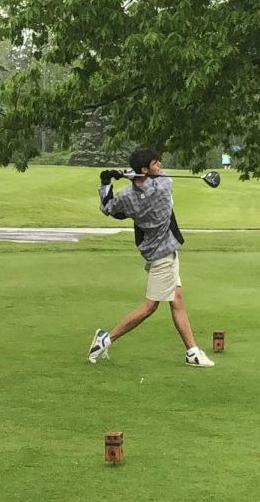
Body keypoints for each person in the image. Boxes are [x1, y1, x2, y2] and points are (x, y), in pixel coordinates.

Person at [87, 148, 215, 367]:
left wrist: (107, 181)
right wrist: (133, 174)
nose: (161, 166)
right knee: (149, 307)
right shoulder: (164, 186)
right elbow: (154, 182)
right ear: (146, 169)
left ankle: (192, 352)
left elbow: (109, 208)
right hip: (162, 256)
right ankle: (105, 339)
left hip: (156, 250)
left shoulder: (127, 197)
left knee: (177, 300)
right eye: (156, 163)